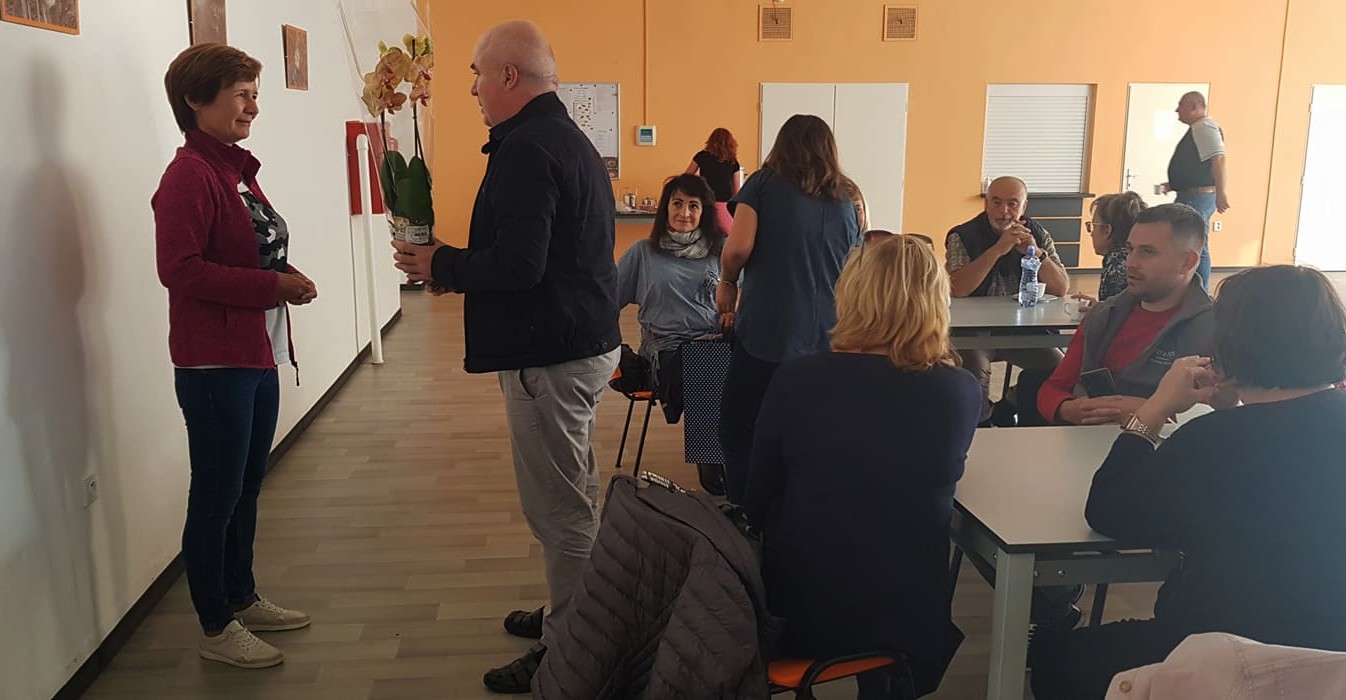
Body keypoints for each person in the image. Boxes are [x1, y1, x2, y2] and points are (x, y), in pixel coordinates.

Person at [388, 20, 621, 694]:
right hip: (575, 342)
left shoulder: (528, 148)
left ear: (509, 76)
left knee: (559, 510)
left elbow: (521, 265)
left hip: (551, 354)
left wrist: (442, 264)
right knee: (573, 495)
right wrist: (455, 265)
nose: (471, 88)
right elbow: (535, 254)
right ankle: (574, 611)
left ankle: (572, 648)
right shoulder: (563, 138)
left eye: (476, 74)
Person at [1031, 264, 1346, 699]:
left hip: (1216, 658)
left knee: (1056, 660)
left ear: (1231, 345)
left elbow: (1108, 510)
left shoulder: (1210, 442)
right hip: (1331, 663)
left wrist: (1155, 408)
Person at [744, 235, 981, 699]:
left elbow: (756, 501)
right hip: (907, 616)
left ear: (851, 295)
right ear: (937, 303)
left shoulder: (797, 379)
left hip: (803, 610)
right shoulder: (961, 390)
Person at [153, 43, 317, 669]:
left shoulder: (234, 170)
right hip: (213, 363)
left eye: (255, 93)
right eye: (241, 94)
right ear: (197, 100)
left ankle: (240, 595)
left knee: (247, 485)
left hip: (255, 352)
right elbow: (181, 269)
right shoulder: (189, 176)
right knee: (216, 494)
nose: (253, 105)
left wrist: (285, 277)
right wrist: (271, 286)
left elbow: (254, 248)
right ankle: (215, 624)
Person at [715, 114, 862, 505]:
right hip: (831, 335)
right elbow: (856, 265)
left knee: (738, 426)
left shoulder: (762, 185)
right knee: (810, 429)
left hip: (769, 330)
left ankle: (747, 511)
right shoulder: (848, 197)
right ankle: (802, 509)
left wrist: (727, 282)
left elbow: (738, 248)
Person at [1031, 204, 1214, 427]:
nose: (1131, 263)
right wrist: (1067, 409)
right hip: (1086, 439)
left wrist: (1151, 409)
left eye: (1147, 252)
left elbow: (1213, 414)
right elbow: (1052, 390)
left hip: (1166, 445)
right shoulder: (1103, 316)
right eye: (1130, 250)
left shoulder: (1215, 330)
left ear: (1188, 262)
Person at [616, 173, 727, 493]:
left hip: (714, 343)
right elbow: (606, 303)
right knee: (708, 367)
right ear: (666, 207)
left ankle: (747, 469)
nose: (684, 213)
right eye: (677, 204)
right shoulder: (642, 253)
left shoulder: (720, 252)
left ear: (704, 211)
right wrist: (611, 351)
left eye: (693, 205)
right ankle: (715, 480)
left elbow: (745, 298)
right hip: (664, 351)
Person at [945, 175, 1070, 423]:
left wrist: (1036, 253)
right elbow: (958, 289)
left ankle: (1012, 402)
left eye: (1012, 204)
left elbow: (1061, 287)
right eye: (996, 202)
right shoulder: (962, 235)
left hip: (1025, 329)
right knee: (975, 370)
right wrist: (998, 250)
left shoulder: (1038, 233)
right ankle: (980, 425)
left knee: (1060, 369)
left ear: (1024, 207)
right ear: (986, 204)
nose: (1004, 211)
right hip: (975, 331)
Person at [1160, 91, 1228, 290]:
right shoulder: (1198, 128)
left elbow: (1218, 159)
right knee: (1188, 243)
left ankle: (1200, 291)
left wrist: (1222, 193)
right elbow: (1197, 165)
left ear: (1193, 106)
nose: (1177, 110)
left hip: (1198, 198)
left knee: (1196, 245)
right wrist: (1175, 183)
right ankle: (1188, 288)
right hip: (1191, 195)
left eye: (1181, 105)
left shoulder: (1205, 127)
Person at [1086, 192, 1147, 303]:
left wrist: (1099, 310)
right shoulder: (1137, 258)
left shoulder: (1115, 267)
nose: (1091, 234)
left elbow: (1115, 312)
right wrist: (1098, 307)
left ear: (1107, 231)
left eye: (1093, 226)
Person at [685, 127, 742, 234]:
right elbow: (737, 192)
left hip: (704, 202)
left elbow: (686, 177)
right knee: (732, 234)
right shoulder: (733, 162)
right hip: (723, 205)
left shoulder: (701, 156)